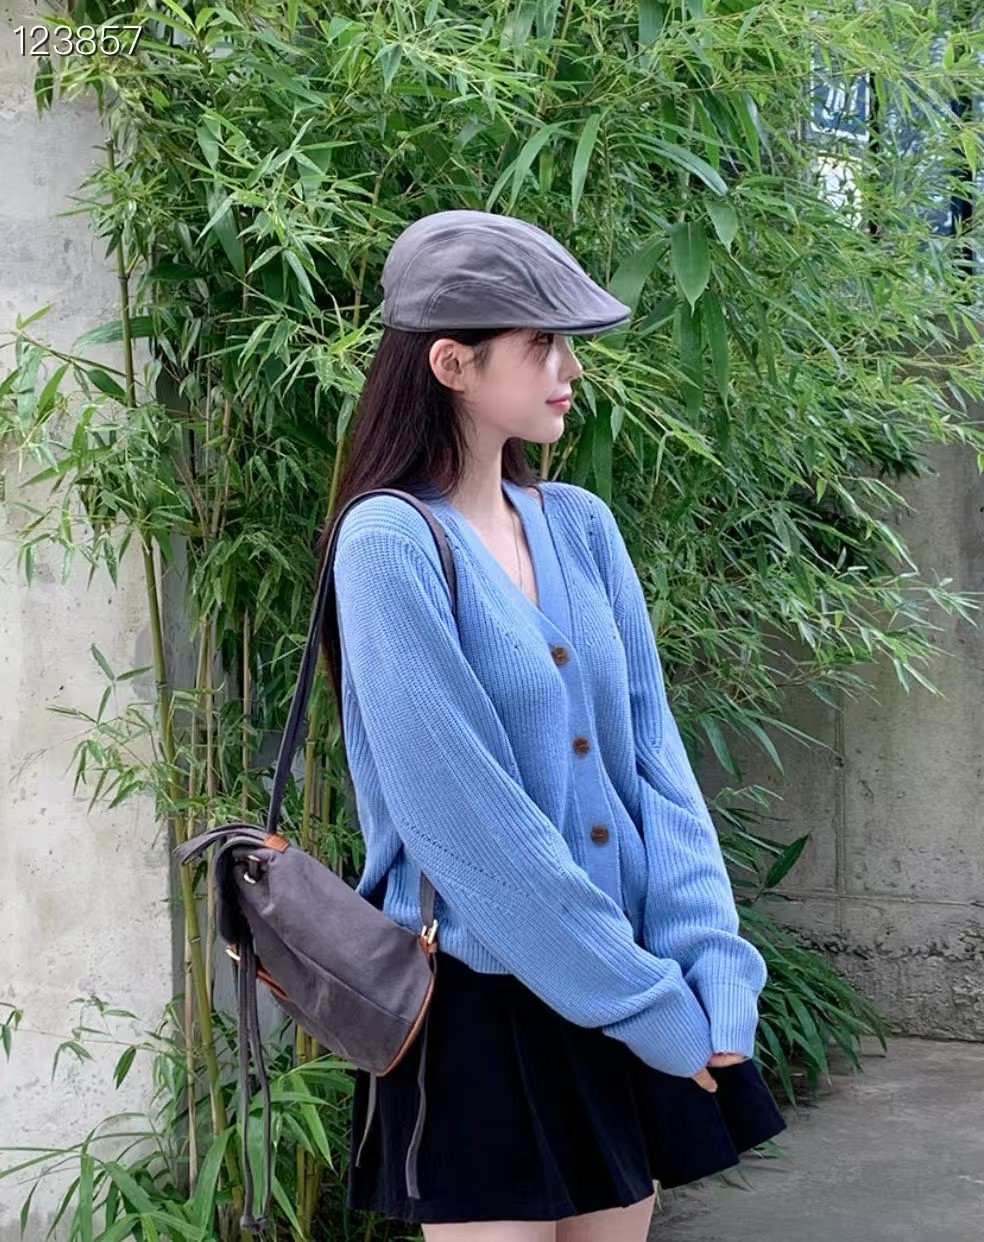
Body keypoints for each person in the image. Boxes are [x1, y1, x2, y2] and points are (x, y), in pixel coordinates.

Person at [322, 209, 787, 1241]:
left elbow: (656, 769)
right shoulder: (389, 541)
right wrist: (650, 1006)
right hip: (481, 1008)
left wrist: (711, 964)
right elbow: (468, 827)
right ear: (452, 363)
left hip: (623, 977)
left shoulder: (580, 525)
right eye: (542, 344)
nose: (570, 369)